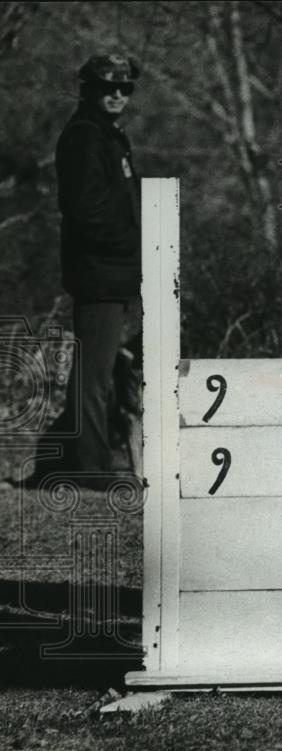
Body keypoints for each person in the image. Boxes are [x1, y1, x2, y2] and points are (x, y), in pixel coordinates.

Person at [19, 54, 143, 490]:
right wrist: (135, 243)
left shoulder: (107, 135)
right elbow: (86, 212)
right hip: (100, 273)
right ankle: (91, 470)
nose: (117, 95)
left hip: (114, 272)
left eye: (125, 89)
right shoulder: (85, 137)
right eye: (108, 87)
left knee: (96, 371)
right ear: (87, 89)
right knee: (96, 376)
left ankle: (55, 462)